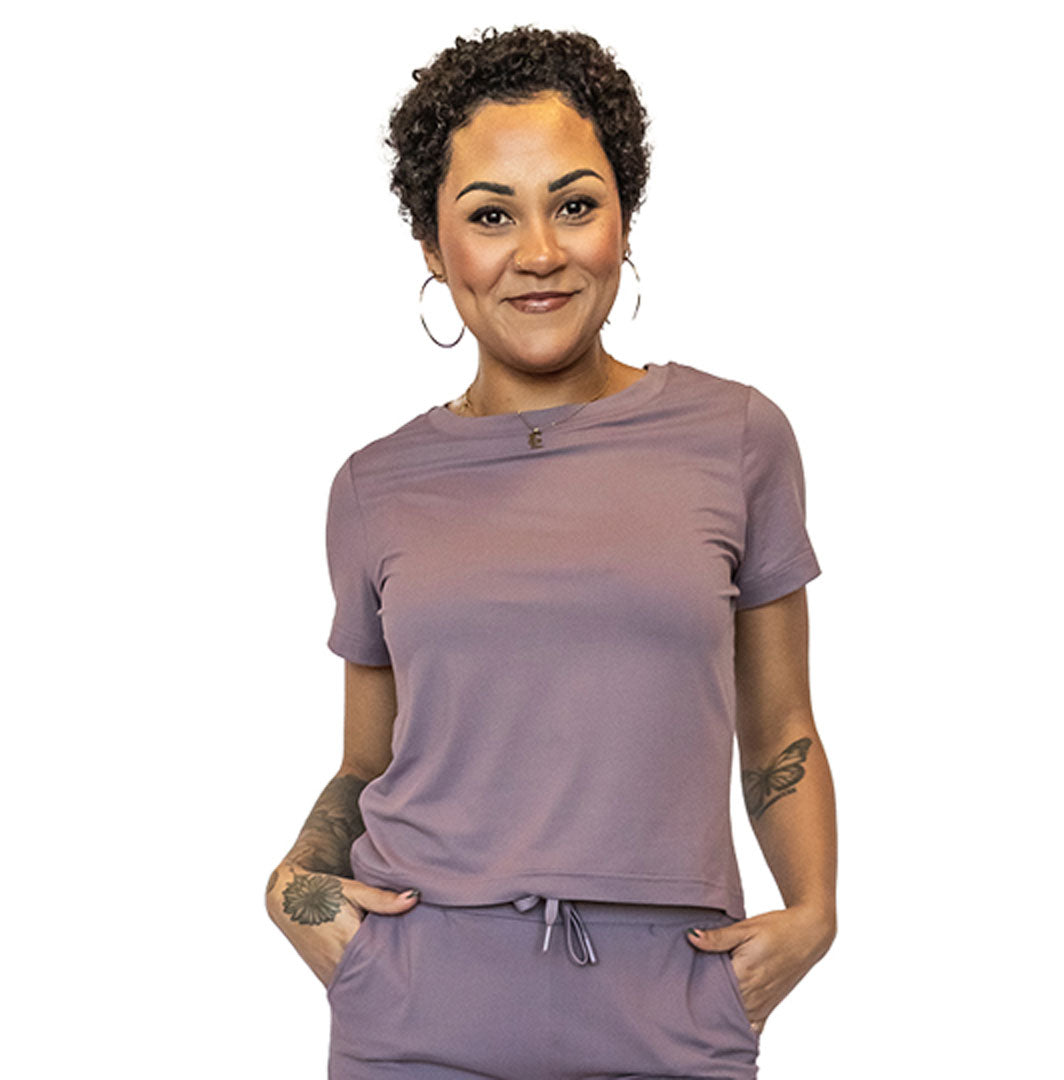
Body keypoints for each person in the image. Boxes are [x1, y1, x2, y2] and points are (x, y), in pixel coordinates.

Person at [265, 26, 837, 1080]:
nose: (539, 253)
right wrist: (295, 886)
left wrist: (812, 916)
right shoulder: (374, 486)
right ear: (434, 247)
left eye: (574, 205)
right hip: (415, 1002)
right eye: (491, 215)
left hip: (672, 1001)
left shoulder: (738, 438)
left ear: (623, 220)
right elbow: (367, 761)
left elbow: (779, 729)